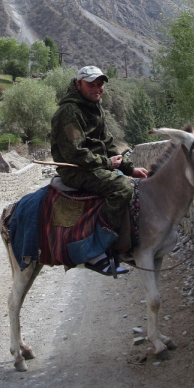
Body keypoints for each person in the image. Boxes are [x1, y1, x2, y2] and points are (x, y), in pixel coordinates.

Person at [50, 65, 148, 275]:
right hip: (76, 169)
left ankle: (126, 242)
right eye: (91, 84)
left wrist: (130, 169)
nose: (97, 88)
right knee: (121, 188)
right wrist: (108, 164)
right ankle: (96, 250)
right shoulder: (69, 112)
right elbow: (75, 152)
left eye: (100, 84)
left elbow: (109, 145)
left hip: (95, 164)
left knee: (134, 183)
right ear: (78, 85)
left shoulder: (95, 108)